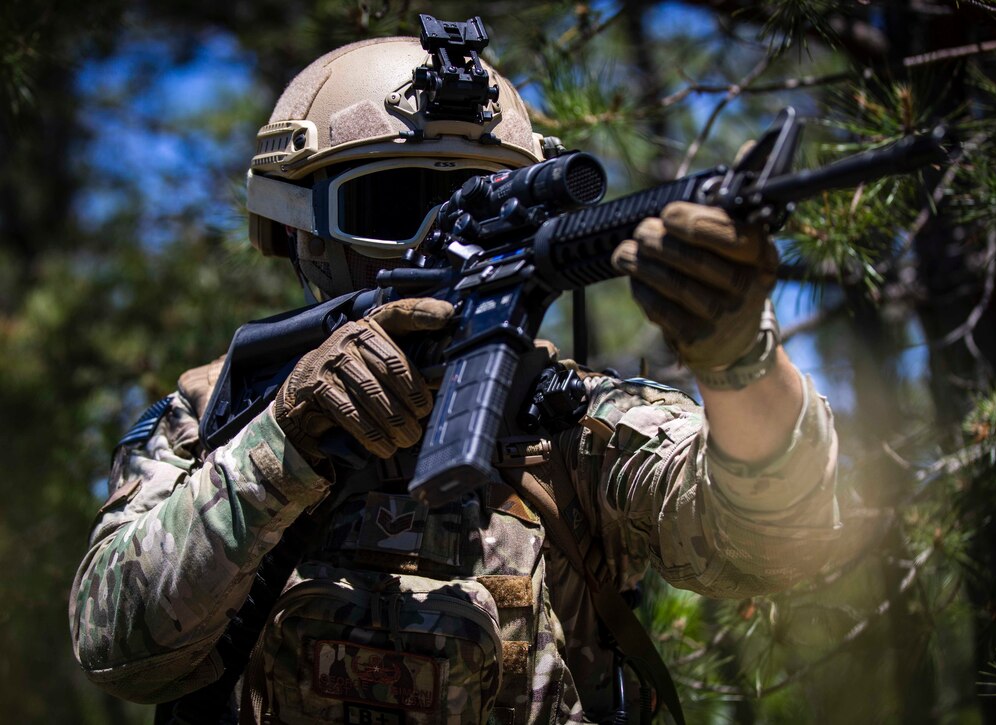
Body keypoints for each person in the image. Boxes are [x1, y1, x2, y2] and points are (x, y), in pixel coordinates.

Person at [70, 25, 840, 725]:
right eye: (393, 203)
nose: (440, 243)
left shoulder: (577, 427)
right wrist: (283, 443)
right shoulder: (214, 417)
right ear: (296, 227)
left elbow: (776, 546)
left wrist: (739, 361)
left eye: (479, 203)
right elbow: (118, 647)